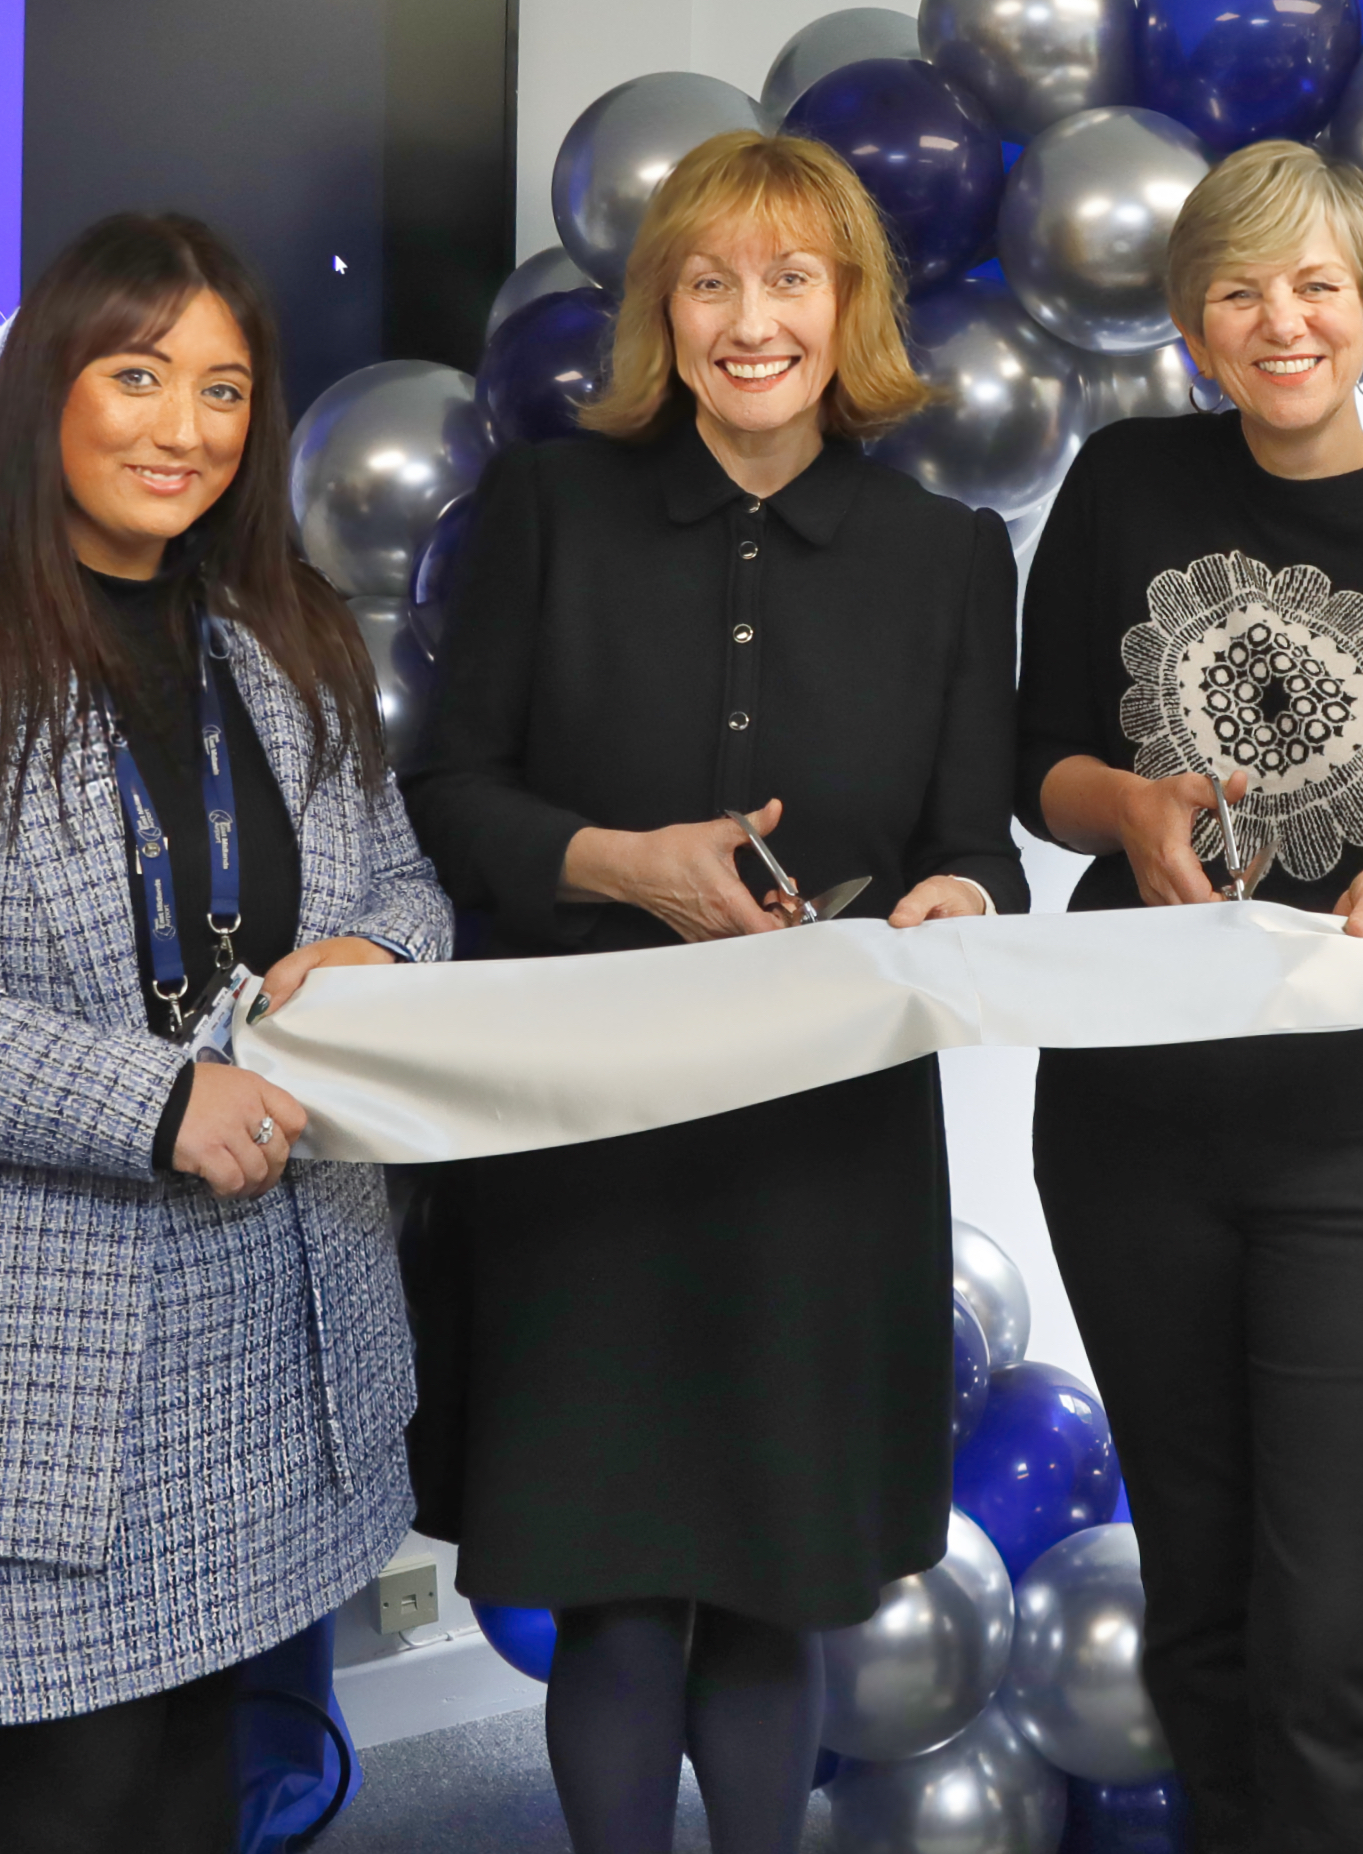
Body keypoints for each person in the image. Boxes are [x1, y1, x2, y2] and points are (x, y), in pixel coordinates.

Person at [0, 211, 449, 1853]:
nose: (182, 427)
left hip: (267, 1309)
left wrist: (377, 942)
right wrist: (148, 1097)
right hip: (15, 1331)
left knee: (200, 1771)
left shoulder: (290, 626)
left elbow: (403, 875)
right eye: (138, 373)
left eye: (223, 388)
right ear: (51, 380)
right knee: (71, 1800)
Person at [401, 129, 1026, 1854]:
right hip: (581, 1132)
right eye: (710, 279)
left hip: (819, 1149)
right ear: (661, 313)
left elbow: (974, 850)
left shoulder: (952, 554)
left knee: (779, 1585)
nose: (751, 318)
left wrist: (950, 895)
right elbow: (450, 798)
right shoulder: (539, 509)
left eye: (791, 278)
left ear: (850, 308)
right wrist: (623, 860)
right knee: (608, 1588)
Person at [1020, 139, 1363, 1852]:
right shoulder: (1124, 485)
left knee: (1334, 1619)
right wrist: (1122, 803)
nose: (1282, 319)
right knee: (1197, 1594)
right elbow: (1027, 757)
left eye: (1318, 284)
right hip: (1132, 1118)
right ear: (1195, 322)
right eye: (1239, 290)